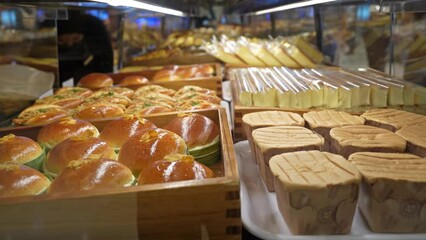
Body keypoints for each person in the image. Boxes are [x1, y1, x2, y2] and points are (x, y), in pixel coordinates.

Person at [57, 9, 113, 84]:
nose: (70, 44)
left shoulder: (93, 26)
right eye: (61, 41)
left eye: (76, 39)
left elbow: (106, 63)